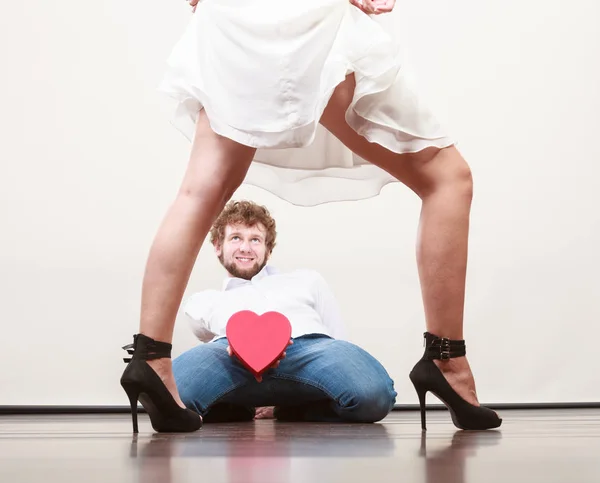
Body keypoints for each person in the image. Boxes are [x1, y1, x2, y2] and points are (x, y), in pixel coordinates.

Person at [120, 0, 502, 433]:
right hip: (306, 19)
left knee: (197, 193)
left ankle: (150, 357)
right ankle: (447, 359)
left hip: (231, 17)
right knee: (447, 179)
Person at [168, 200, 397, 423]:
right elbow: (207, 340)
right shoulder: (202, 300)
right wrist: (244, 348)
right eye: (236, 237)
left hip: (310, 351)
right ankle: (237, 408)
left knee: (373, 395)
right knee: (170, 396)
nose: (245, 248)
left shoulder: (307, 279)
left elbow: (338, 338)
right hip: (233, 360)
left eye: (255, 240)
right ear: (218, 246)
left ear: (268, 250)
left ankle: (291, 410)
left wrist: (347, 373)